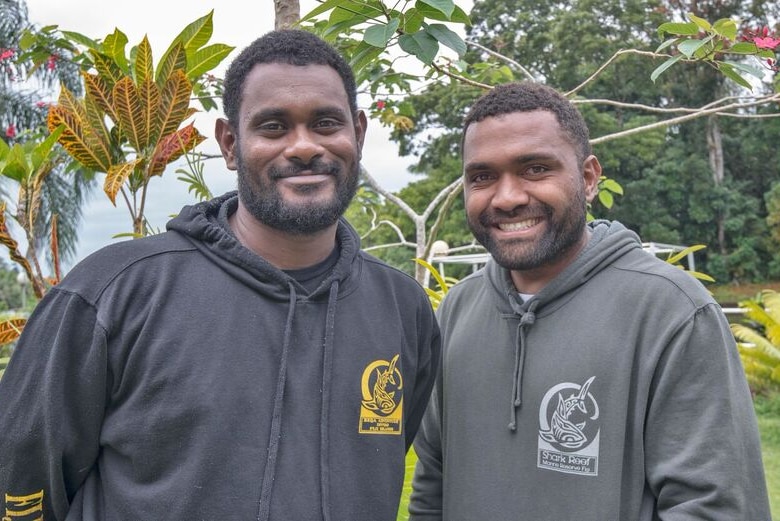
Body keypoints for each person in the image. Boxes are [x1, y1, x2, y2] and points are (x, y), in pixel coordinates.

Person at [0, 29, 440, 521]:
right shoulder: (113, 294)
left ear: (358, 133)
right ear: (230, 143)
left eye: (325, 123)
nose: (303, 147)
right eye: (273, 127)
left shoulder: (402, 307)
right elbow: (22, 478)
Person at [408, 81, 771, 520]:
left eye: (535, 169)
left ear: (588, 178)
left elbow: (713, 507)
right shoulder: (455, 313)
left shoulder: (671, 312)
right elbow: (433, 483)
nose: (506, 197)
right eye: (482, 177)